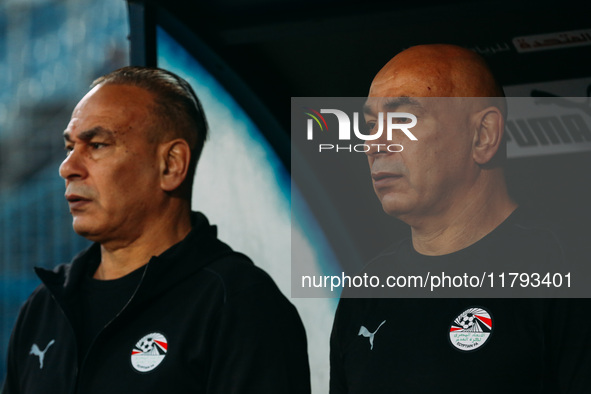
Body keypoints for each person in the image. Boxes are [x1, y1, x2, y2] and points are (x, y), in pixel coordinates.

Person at [3, 66, 310, 393]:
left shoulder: (239, 303)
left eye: (97, 145)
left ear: (171, 164)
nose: (68, 167)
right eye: (69, 148)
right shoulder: (43, 308)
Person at [330, 44, 590, 392]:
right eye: (371, 124)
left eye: (402, 121)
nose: (374, 143)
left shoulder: (565, 268)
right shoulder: (365, 291)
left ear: (483, 136)